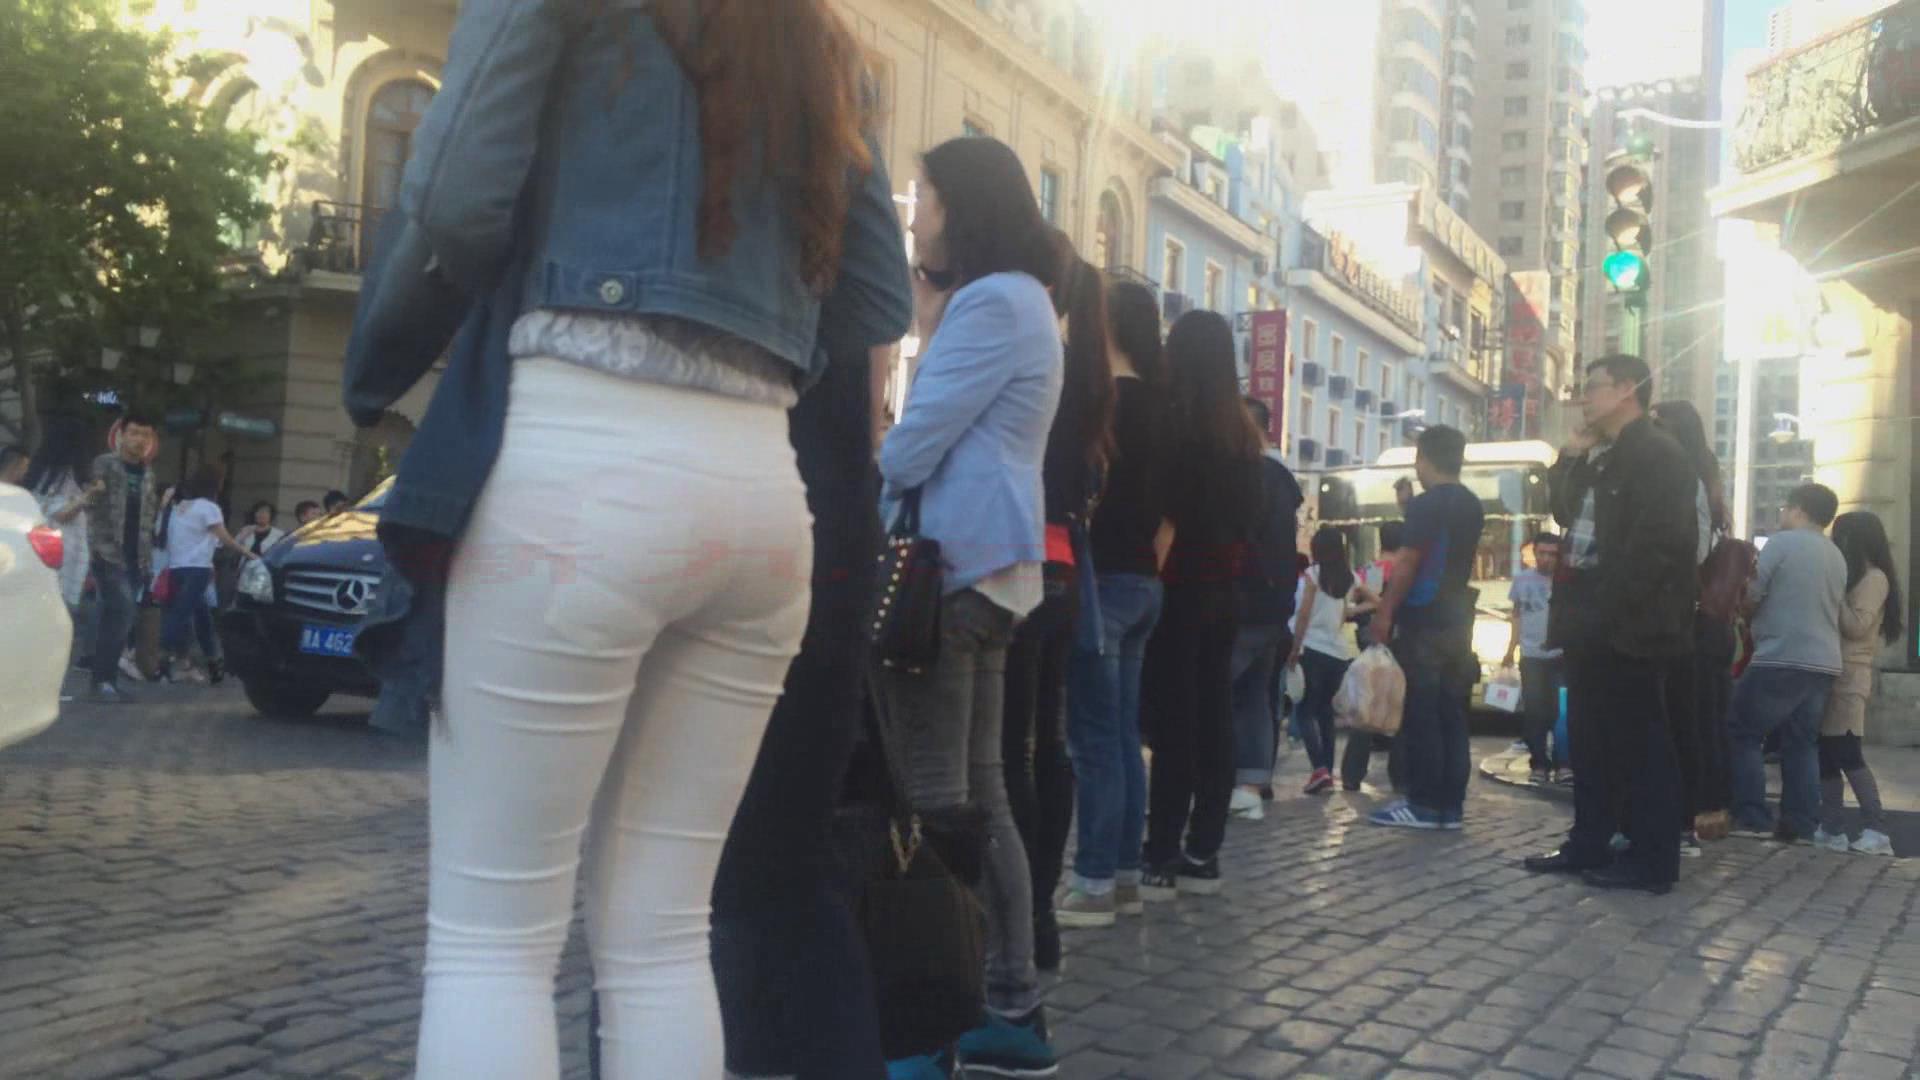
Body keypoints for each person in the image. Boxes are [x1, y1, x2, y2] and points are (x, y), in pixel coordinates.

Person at [353, 2, 903, 1074]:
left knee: (493, 945)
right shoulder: (818, 38)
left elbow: (456, 200)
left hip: (576, 453)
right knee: (663, 937)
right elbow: (876, 291)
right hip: (759, 486)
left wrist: (382, 354)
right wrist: (757, 322)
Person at [870, 135, 1063, 1077]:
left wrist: (868, 464)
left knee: (936, 801)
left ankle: (931, 1028)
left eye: (926, 197)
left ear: (965, 205)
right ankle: (1009, 1008)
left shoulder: (990, 304)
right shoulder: (1025, 301)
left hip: (948, 571)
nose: (917, 217)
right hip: (992, 570)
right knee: (980, 797)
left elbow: (912, 446)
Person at [707, 212, 912, 1078]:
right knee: (793, 865)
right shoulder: (840, 154)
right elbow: (879, 328)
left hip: (705, 489)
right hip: (823, 517)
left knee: (662, 892)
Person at [1523, 355, 1697, 893]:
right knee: (1591, 741)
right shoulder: (1604, 455)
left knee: (1640, 744)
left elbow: (1658, 547)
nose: (1583, 397)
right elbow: (1564, 513)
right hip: (1589, 620)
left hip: (1629, 625)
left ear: (1626, 389)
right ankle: (1589, 841)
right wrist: (1569, 457)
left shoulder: (1658, 453)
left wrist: (1612, 608)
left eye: (1592, 387)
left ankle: (1652, 860)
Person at [1001, 246, 1111, 970]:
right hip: (1068, 568)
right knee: (1051, 741)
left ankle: (1014, 916)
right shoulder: (1089, 373)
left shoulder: (1034, 356)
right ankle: (1038, 912)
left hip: (1017, 559)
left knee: (1007, 747)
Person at [1139, 310, 1263, 899]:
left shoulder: (1175, 427)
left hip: (1178, 588)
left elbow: (1165, 519)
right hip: (1225, 593)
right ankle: (1203, 849)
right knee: (1215, 717)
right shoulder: (1244, 439)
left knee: (1174, 723)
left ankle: (1161, 849)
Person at [1058, 280, 1167, 931]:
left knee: (1094, 739)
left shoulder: (1104, 403)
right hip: (1146, 582)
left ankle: (1094, 881)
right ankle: (1124, 876)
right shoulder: (1168, 405)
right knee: (1123, 735)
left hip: (1102, 580)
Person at [1367, 426, 1485, 833]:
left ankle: (1423, 803)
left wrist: (1385, 612)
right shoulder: (1471, 504)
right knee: (1452, 714)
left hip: (1424, 618)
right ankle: (1450, 806)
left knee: (1422, 713)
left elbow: (1409, 562)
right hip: (1459, 620)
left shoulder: (1428, 504)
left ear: (1423, 458)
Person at [1729, 483, 1847, 844]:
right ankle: (1801, 823)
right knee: (1802, 742)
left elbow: (1751, 592)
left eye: (1784, 507)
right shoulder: (1835, 555)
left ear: (1798, 509)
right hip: (1823, 661)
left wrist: (1743, 613)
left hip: (1780, 655)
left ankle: (1752, 816)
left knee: (1741, 730)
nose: (1781, 514)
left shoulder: (1781, 544)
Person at [1650, 399, 1735, 855]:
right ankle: (1693, 817)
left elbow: (1694, 551)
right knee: (1696, 722)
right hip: (1703, 621)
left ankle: (1683, 822)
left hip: (1686, 618)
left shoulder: (1687, 481)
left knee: (1682, 722)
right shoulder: (1706, 481)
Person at [1228, 397, 1302, 820]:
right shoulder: (1283, 480)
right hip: (1275, 607)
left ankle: (1211, 781)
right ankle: (1250, 786)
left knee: (1217, 691)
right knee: (1255, 696)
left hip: (1244, 601)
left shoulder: (1248, 474)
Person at [1817, 511, 1902, 856]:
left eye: (1842, 536)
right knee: (1826, 754)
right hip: (1833, 672)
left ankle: (1876, 829)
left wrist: (1835, 594)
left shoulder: (1874, 578)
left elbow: (1856, 626)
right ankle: (1831, 827)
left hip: (1851, 676)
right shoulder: (1854, 576)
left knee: (1847, 752)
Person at [1286, 526, 1375, 795]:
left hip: (1311, 648)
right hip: (1338, 653)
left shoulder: (1313, 575)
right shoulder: (1350, 578)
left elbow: (1303, 614)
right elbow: (1377, 601)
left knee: (1304, 711)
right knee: (1325, 712)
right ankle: (1327, 770)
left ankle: (1319, 770)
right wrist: (1349, 611)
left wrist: (1294, 648)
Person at [84, 413, 159, 703]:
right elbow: (92, 500)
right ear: (122, 436)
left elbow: (148, 518)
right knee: (123, 611)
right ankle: (103, 680)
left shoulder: (148, 473)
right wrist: (95, 544)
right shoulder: (105, 464)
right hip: (108, 552)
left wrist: (147, 559)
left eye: (145, 435)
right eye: (135, 433)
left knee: (116, 617)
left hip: (136, 556)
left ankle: (105, 681)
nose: (140, 440)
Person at [157, 466, 256, 685]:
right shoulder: (210, 508)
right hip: (197, 568)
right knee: (181, 615)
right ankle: (162, 662)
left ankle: (213, 662)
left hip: (176, 567)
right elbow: (225, 539)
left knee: (199, 616)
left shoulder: (180, 507)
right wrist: (250, 555)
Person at [25, 417, 103, 623]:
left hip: (62, 554)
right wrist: (90, 494)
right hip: (61, 555)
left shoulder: (44, 473)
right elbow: (62, 513)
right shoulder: (58, 475)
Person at [1503, 533, 1566, 785]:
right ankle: (1539, 762)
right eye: (1542, 553)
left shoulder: (1565, 581)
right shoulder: (1522, 580)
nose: (1547, 559)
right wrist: (1510, 650)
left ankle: (1563, 762)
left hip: (1561, 655)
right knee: (1535, 711)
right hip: (1531, 656)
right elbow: (1517, 616)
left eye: (1553, 554)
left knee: (1560, 712)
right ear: (1534, 553)